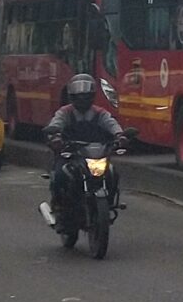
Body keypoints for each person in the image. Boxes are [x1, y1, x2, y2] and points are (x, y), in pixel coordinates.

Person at [44, 75, 129, 217]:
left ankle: (110, 202)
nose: (82, 99)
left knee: (112, 173)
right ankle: (58, 205)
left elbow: (111, 124)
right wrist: (55, 137)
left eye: (86, 96)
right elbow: (55, 125)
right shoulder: (65, 112)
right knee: (60, 175)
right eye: (79, 96)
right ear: (72, 96)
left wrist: (120, 136)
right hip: (70, 154)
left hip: (95, 154)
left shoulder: (100, 113)